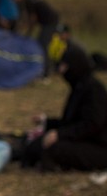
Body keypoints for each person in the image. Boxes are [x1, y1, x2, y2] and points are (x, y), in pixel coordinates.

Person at [20, 41, 107, 171]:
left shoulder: (94, 90)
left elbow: (92, 125)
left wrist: (60, 135)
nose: (61, 70)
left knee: (54, 148)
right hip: (83, 140)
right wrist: (46, 122)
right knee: (35, 145)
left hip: (99, 147)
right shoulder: (79, 88)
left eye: (64, 66)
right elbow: (70, 122)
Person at [10, 0, 60, 79]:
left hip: (50, 22)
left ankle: (46, 71)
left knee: (42, 44)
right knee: (41, 42)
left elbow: (33, 18)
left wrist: (29, 32)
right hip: (47, 22)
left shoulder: (27, 0)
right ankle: (47, 68)